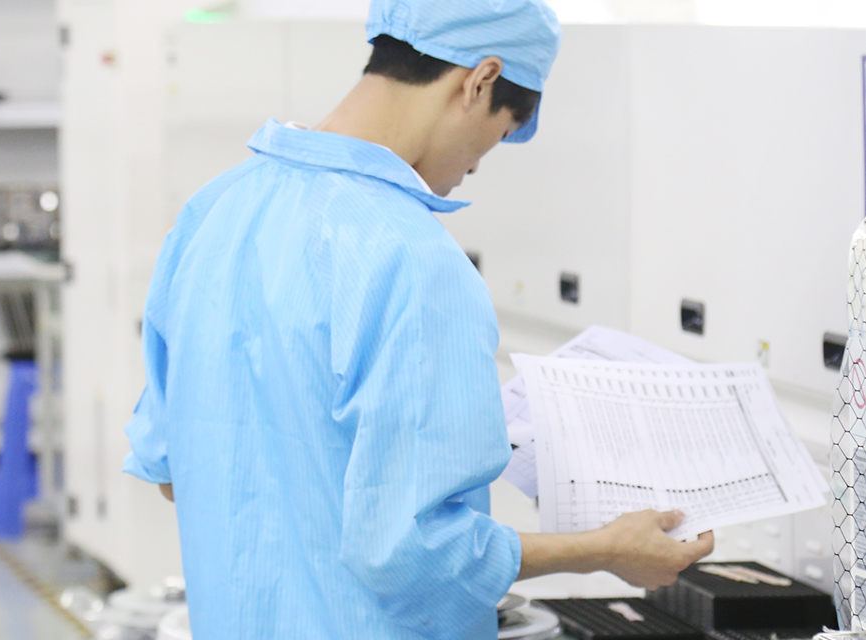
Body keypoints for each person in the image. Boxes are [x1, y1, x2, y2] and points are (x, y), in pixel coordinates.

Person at [122, 1, 715, 638]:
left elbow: (173, 471)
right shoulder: (411, 258)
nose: (476, 165)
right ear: (481, 80)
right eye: (499, 134)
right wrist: (604, 549)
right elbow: (414, 553)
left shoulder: (213, 212)